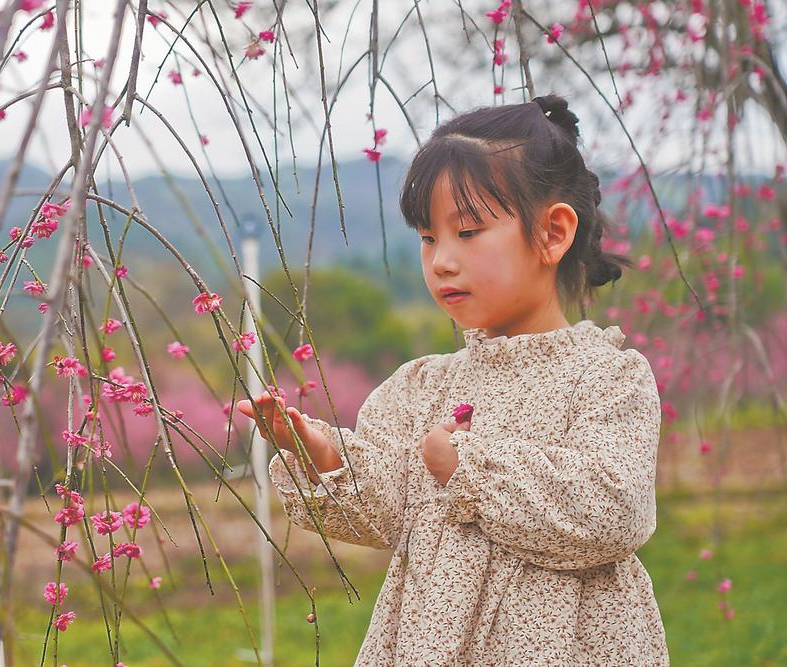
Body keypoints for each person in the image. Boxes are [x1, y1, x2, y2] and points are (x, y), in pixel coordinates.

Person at [236, 93, 668, 666]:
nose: (441, 261)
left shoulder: (606, 377)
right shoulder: (418, 388)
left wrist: (471, 467)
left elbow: (614, 513)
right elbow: (390, 514)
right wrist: (322, 454)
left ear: (552, 233)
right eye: (427, 236)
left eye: (468, 232)